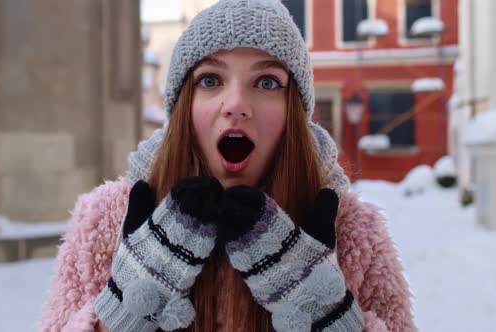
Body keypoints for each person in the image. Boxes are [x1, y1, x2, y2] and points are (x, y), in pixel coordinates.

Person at [40, 0, 414, 331]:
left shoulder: (353, 231)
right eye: (210, 79)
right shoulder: (105, 219)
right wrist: (124, 311)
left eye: (267, 82)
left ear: (295, 114)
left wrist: (325, 317)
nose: (235, 104)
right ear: (184, 105)